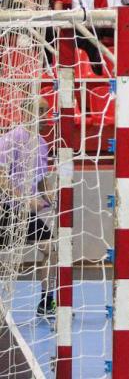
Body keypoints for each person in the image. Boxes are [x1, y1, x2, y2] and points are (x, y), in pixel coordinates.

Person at [0, 98, 56, 317]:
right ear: (25, 113)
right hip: (5, 209)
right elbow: (2, 177)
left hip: (26, 214)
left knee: (51, 249)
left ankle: (46, 302)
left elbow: (41, 179)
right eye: (40, 111)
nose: (45, 117)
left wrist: (50, 196)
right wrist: (24, 199)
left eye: (46, 111)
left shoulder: (42, 143)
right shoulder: (10, 139)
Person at [71, 0, 123, 75]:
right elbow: (82, 13)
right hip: (87, 24)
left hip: (109, 23)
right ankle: (95, 67)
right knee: (94, 29)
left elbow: (119, 10)